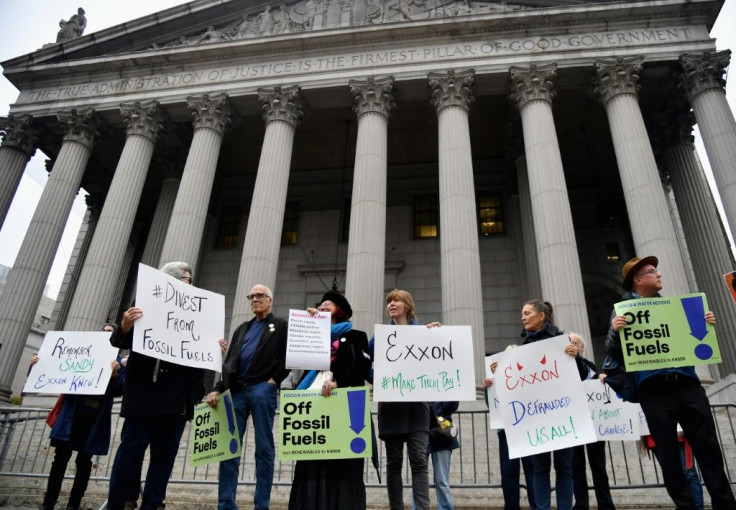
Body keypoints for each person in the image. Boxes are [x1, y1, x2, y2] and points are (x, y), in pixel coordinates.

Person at [606, 256, 736, 510]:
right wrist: (614, 331)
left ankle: (725, 504)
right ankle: (685, 505)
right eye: (653, 271)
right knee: (668, 454)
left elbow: (696, 342)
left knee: (708, 447)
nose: (660, 275)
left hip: (687, 384)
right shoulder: (622, 311)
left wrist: (705, 324)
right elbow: (612, 355)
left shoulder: (672, 307)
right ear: (638, 279)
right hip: (654, 390)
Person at [106, 261, 226, 510]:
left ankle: (152, 505)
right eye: (186, 278)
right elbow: (119, 340)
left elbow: (198, 354)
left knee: (163, 461)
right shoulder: (145, 301)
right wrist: (126, 324)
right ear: (169, 279)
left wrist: (214, 350)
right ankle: (116, 504)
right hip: (145, 396)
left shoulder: (197, 312)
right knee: (130, 454)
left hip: (177, 402)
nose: (190, 283)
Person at [206, 284, 289, 510]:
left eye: (260, 296)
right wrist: (217, 388)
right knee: (229, 449)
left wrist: (274, 380)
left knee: (264, 449)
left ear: (270, 300)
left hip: (262, 390)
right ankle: (226, 504)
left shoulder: (280, 325)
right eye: (251, 296)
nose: (255, 300)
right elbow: (230, 362)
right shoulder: (241, 328)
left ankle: (261, 505)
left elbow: (290, 356)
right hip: (237, 392)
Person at [288, 290, 372, 509]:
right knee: (312, 461)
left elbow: (361, 368)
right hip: (313, 399)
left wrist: (339, 382)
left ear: (340, 310)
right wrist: (308, 324)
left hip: (342, 401)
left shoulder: (356, 336)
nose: (323, 305)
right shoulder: (312, 334)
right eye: (322, 303)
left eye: (329, 304)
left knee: (341, 462)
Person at [36, 324, 124, 510]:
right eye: (104, 331)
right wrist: (38, 365)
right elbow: (54, 370)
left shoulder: (117, 363)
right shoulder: (81, 353)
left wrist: (115, 375)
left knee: (84, 463)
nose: (106, 335)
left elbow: (120, 390)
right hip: (72, 415)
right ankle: (48, 503)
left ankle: (73, 505)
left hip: (94, 419)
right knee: (60, 460)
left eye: (111, 332)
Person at [511, 300, 586, 510]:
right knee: (540, 468)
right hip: (538, 415)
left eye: (527, 313)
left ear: (541, 316)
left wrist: (576, 358)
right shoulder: (524, 345)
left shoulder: (562, 341)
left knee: (564, 468)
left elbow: (580, 375)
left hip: (562, 412)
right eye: (522, 314)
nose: (523, 317)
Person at [375, 289, 441, 510]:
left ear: (408, 305)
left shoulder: (424, 332)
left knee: (419, 461)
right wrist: (378, 380)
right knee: (393, 463)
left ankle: (421, 507)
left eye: (396, 300)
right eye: (389, 301)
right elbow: (363, 362)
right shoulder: (381, 336)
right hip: (392, 408)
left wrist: (438, 336)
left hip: (417, 409)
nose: (391, 304)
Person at [483, 345, 537, 510]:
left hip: (528, 430)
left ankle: (537, 506)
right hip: (506, 432)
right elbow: (492, 405)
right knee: (509, 474)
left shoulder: (529, 375)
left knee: (532, 472)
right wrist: (488, 389)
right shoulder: (497, 378)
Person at [568, 333, 616, 510]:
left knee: (599, 467)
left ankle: (606, 505)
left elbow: (591, 378)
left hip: (594, 423)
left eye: (573, 342)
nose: (570, 345)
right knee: (576, 467)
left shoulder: (589, 366)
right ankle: (581, 505)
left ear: (581, 347)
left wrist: (602, 378)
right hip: (574, 423)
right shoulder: (565, 366)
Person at [411, 401, 459, 510]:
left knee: (442, 480)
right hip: (421, 433)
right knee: (419, 478)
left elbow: (452, 406)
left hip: (441, 435)